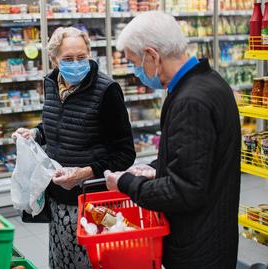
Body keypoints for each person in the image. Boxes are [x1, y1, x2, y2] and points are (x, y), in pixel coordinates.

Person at [104, 11, 241, 269]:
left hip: (197, 247)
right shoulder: (209, 82)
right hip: (215, 232)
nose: (136, 73)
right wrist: (157, 168)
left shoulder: (191, 100)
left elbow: (185, 190)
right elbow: (198, 159)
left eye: (136, 63)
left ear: (152, 55)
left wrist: (126, 183)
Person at [13, 26, 135, 269]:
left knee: (93, 262)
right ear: (54, 60)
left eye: (82, 57)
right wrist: (35, 133)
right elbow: (57, 125)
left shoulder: (107, 90)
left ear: (90, 53)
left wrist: (85, 172)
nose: (76, 64)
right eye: (68, 59)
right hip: (59, 197)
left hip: (95, 202)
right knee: (61, 261)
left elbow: (125, 153)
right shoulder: (51, 83)